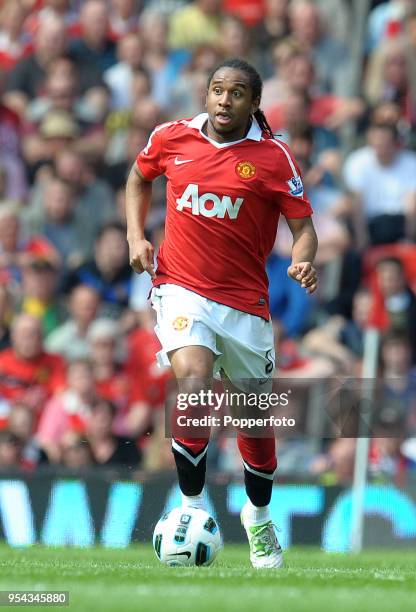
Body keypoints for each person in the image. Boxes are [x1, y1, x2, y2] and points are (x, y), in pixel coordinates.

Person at [125, 58, 318, 569]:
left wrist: (302, 261)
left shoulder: (273, 158)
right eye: (216, 90)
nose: (224, 100)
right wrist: (135, 234)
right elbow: (138, 178)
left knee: (253, 417)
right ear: (205, 94)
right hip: (181, 288)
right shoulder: (172, 138)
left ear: (254, 103)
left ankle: (257, 518)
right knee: (193, 380)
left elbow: (303, 228)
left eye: (236, 93)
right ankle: (191, 506)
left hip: (245, 304)